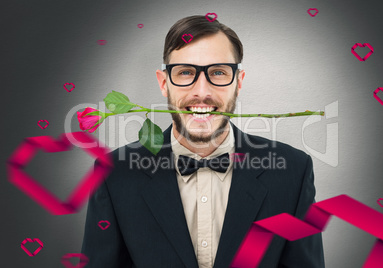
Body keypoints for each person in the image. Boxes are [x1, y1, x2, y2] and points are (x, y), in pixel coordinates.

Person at [81, 15, 325, 268]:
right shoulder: (114, 174)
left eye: (218, 72)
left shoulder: (293, 171)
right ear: (164, 83)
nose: (202, 92)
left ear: (238, 82)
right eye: (186, 72)